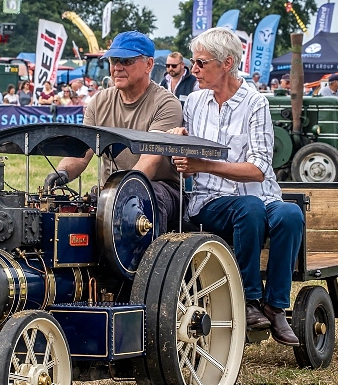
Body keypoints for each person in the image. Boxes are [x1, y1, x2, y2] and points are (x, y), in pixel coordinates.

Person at [170, 27, 303, 347]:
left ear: (227, 63)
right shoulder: (195, 102)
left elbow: (259, 170)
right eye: (192, 62)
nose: (193, 70)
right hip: (210, 199)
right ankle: (248, 299)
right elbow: (186, 156)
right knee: (250, 209)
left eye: (201, 63)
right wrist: (179, 141)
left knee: (291, 214)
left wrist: (203, 164)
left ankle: (275, 306)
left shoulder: (255, 103)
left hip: (257, 195)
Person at [43, 31, 184, 233]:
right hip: (112, 191)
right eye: (113, 60)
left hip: (160, 188)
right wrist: (61, 173)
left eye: (126, 61)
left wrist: (117, 193)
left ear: (149, 65)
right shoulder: (99, 102)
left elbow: (150, 159)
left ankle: (144, 263)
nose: (117, 67)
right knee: (68, 210)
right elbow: (81, 154)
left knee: (144, 198)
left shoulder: (166, 104)